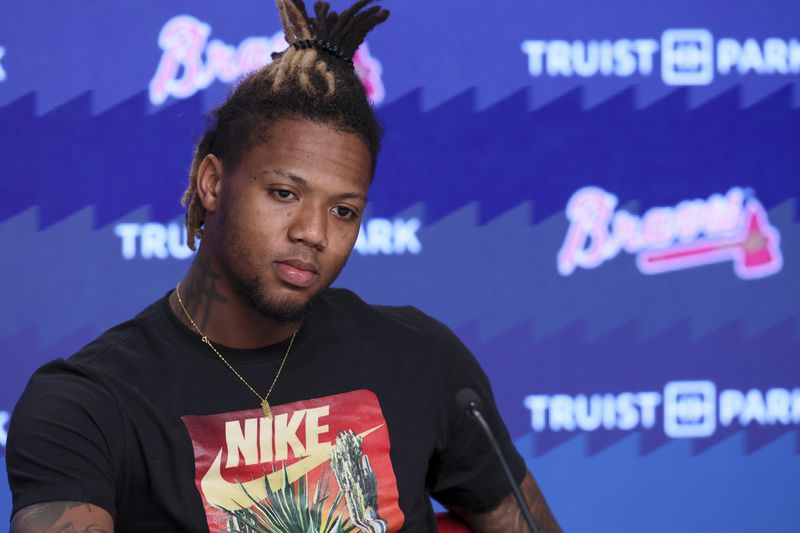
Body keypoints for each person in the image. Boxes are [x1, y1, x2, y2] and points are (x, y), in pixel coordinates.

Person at [7, 1, 561, 531]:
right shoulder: (88, 405)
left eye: (343, 210)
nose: (313, 233)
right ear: (212, 183)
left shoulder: (424, 360)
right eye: (282, 193)